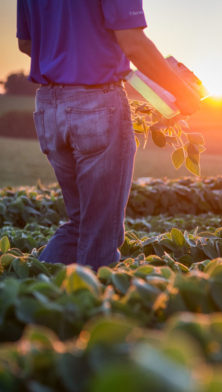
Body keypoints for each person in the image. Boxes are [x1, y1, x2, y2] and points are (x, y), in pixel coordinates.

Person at [17, 0, 200, 270]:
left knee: (81, 224)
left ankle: (27, 296)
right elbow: (133, 42)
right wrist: (183, 93)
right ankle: (91, 306)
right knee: (102, 232)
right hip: (96, 104)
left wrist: (70, 59)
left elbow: (26, 44)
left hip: (48, 106)